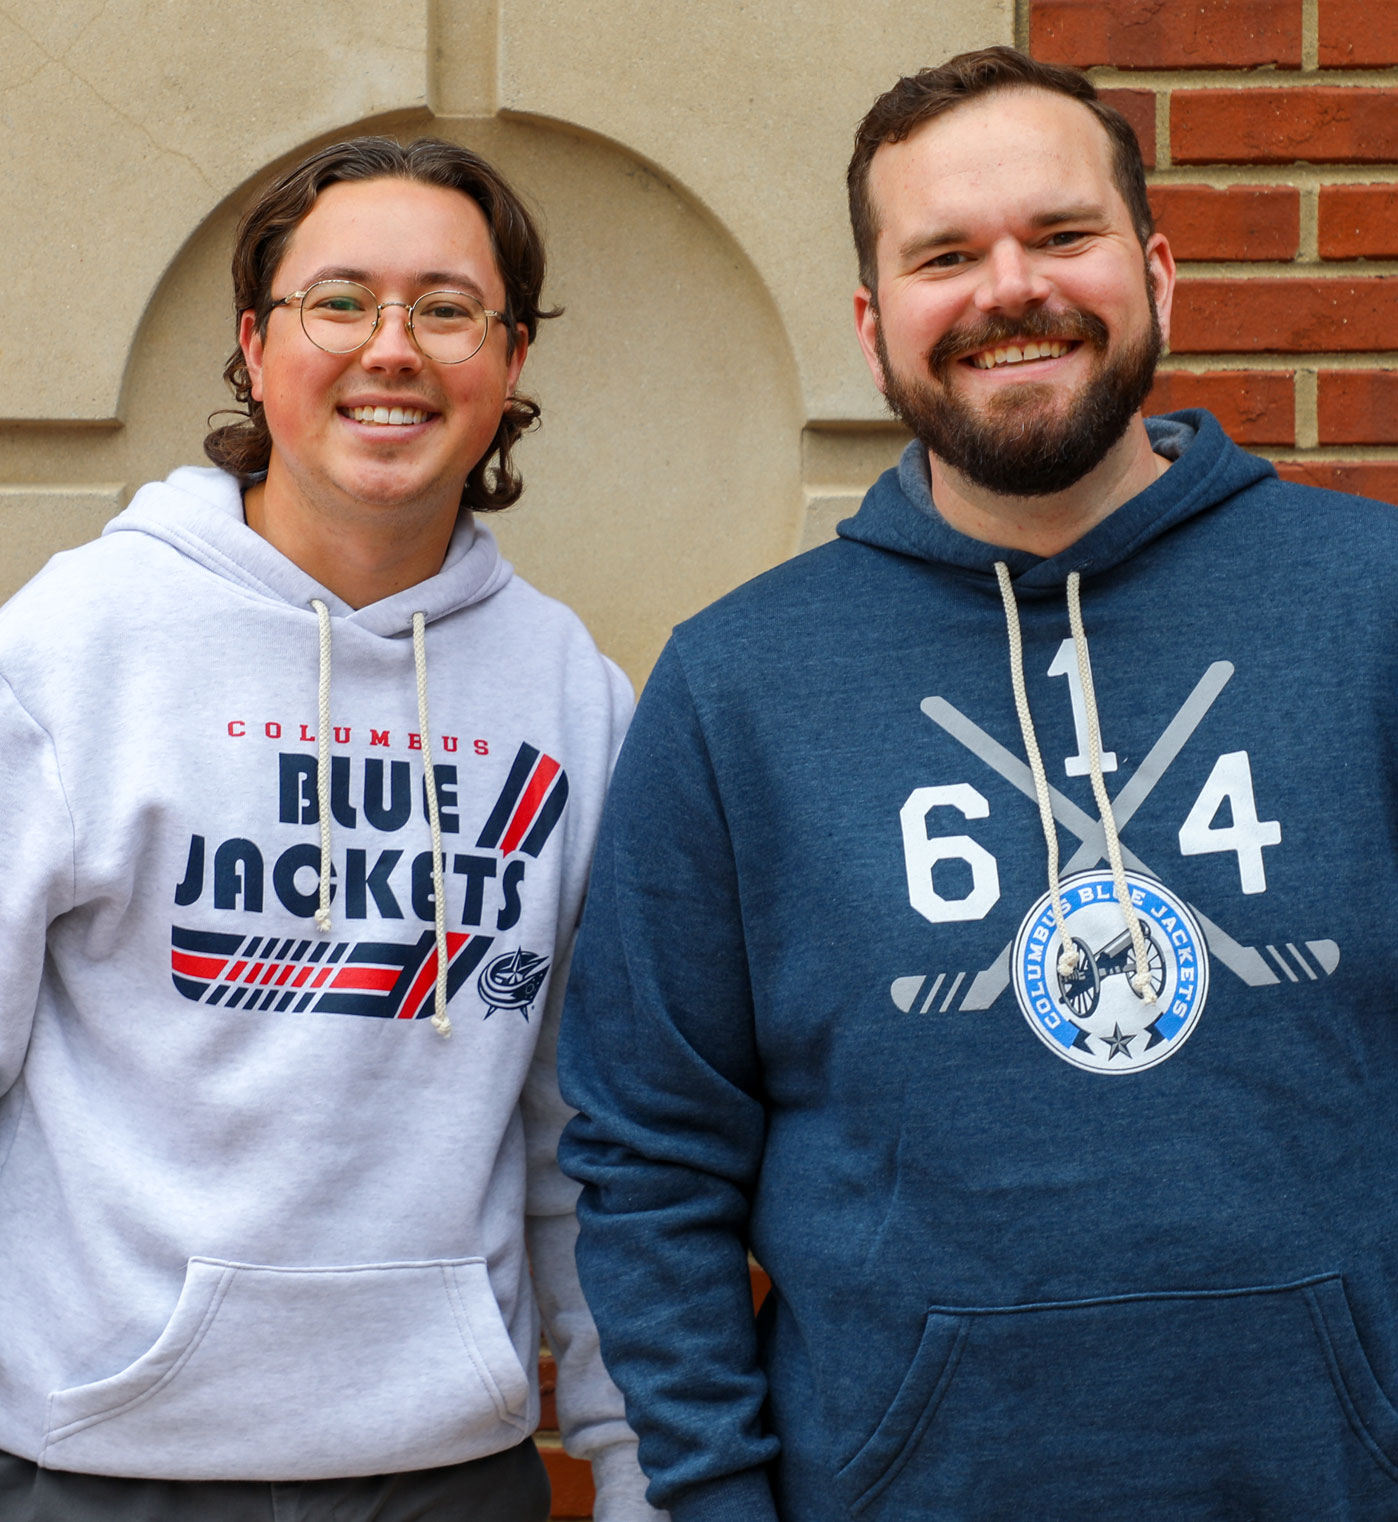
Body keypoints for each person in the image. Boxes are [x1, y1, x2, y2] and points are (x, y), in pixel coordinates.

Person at [558, 45, 1398, 1522]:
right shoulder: (737, 684)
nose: (1008, 288)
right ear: (878, 325)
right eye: (946, 254)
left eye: (1058, 235)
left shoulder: (1370, 605)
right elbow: (649, 1155)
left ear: (1155, 270)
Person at [0, 136, 660, 1522]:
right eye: (339, 300)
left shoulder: (569, 698)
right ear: (255, 342)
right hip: (100, 1471)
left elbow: (588, 1139)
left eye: (446, 306)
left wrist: (633, 1463)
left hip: (445, 1472)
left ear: (511, 356)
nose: (391, 348)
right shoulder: (72, 653)